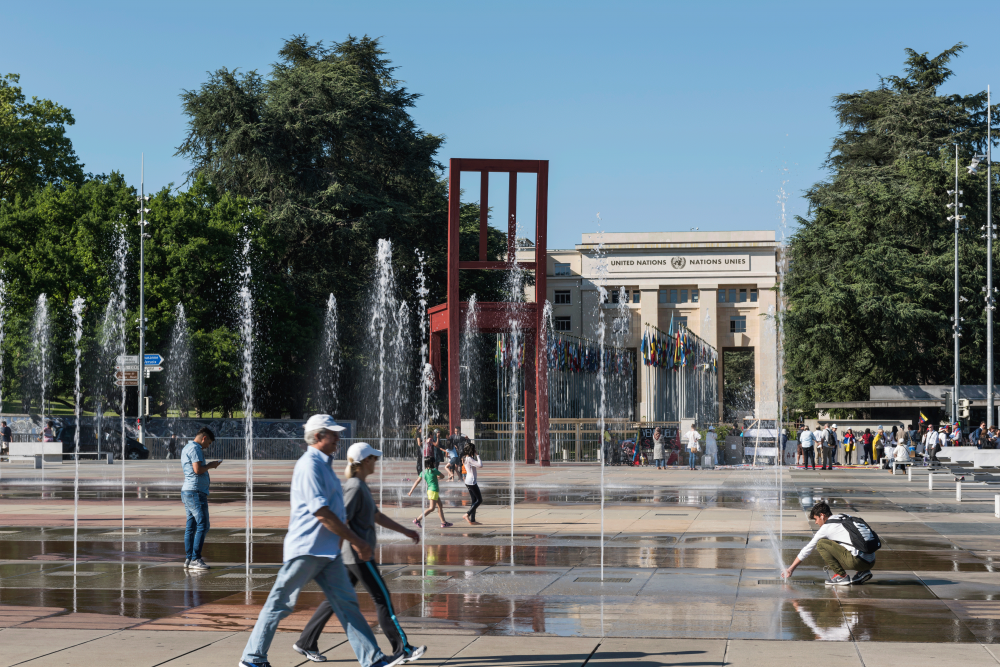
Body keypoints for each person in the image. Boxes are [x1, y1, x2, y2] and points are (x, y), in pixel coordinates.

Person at [293, 442, 425, 665]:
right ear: (365, 461)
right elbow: (341, 518)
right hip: (359, 555)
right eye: (374, 458)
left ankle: (306, 642)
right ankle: (402, 648)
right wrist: (351, 545)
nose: (377, 462)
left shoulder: (360, 485)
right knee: (382, 598)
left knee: (335, 599)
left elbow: (377, 516)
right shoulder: (354, 487)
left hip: (352, 556)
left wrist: (405, 531)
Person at [781, 501, 876, 586]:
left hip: (857, 562)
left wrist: (791, 569)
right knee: (843, 541)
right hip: (871, 561)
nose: (816, 522)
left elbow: (807, 549)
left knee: (821, 544)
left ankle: (841, 576)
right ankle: (862, 572)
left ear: (822, 515)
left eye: (816, 519)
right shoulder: (845, 516)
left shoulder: (826, 528)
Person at [181, 427, 220, 570]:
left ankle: (189, 558)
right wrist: (211, 465)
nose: (207, 446)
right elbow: (197, 470)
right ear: (204, 438)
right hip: (195, 492)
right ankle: (195, 559)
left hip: (189, 491)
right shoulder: (195, 448)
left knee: (191, 526)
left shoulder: (187, 447)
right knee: (203, 525)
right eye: (208, 443)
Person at [408, 457, 451, 528]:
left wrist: (410, 491)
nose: (434, 463)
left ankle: (443, 523)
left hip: (430, 491)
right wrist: (437, 476)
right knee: (431, 508)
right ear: (431, 463)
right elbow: (443, 476)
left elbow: (417, 481)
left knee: (440, 505)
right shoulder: (434, 470)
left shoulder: (423, 472)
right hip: (434, 491)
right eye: (434, 462)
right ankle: (417, 519)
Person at [462, 442, 483, 525]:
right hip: (472, 481)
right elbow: (480, 465)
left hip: (468, 481)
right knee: (479, 500)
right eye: (474, 449)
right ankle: (467, 514)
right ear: (472, 450)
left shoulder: (465, 458)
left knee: (474, 500)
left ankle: (473, 520)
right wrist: (477, 455)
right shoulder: (470, 459)